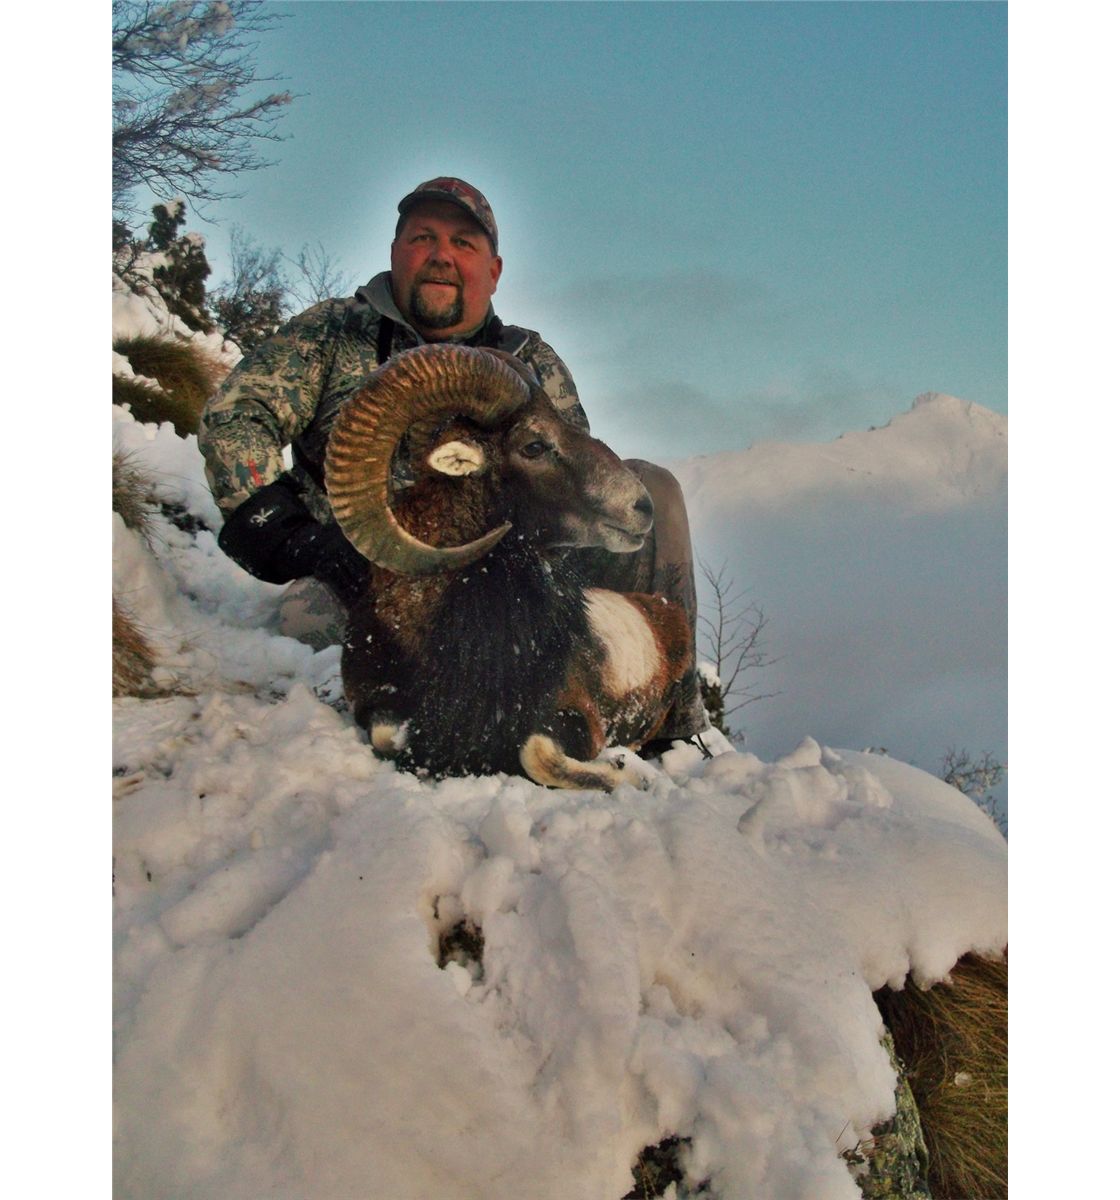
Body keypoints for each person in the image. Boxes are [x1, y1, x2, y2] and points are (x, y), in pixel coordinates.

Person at [198, 176, 707, 745]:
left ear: (494, 270)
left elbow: (564, 468)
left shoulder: (530, 361)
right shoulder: (333, 334)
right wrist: (301, 538)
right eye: (423, 237)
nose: (441, 255)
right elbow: (237, 417)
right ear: (396, 252)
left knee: (655, 491)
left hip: (510, 577)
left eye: (464, 243)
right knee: (305, 620)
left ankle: (674, 725)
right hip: (368, 574)